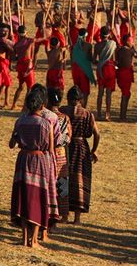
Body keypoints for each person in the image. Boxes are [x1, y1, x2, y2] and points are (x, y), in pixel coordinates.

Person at [9, 87, 59, 248]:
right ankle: (35, 240)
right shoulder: (46, 123)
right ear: (42, 105)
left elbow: (12, 144)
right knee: (38, 198)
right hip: (40, 160)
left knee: (24, 197)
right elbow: (50, 149)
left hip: (23, 159)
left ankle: (24, 239)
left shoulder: (20, 121)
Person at [61, 86, 100, 224]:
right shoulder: (87, 114)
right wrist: (93, 150)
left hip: (65, 147)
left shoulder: (62, 111)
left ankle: (64, 215)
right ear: (81, 99)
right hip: (82, 148)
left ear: (68, 98)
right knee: (80, 180)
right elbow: (97, 134)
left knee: (63, 178)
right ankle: (77, 218)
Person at [46, 87, 72, 223]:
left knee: (48, 182)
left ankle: (49, 210)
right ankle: (64, 214)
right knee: (62, 183)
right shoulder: (65, 118)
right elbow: (69, 137)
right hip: (61, 153)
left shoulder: (45, 116)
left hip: (47, 153)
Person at [93, 26, 117, 121]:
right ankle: (107, 114)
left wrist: (100, 62)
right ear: (109, 34)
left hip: (101, 69)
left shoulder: (97, 46)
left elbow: (94, 60)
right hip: (110, 68)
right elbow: (114, 59)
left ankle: (99, 113)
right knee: (108, 93)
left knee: (100, 92)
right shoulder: (112, 44)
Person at [70, 28, 95, 107]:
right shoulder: (88, 45)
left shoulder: (74, 46)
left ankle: (76, 107)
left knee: (77, 90)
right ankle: (83, 108)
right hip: (83, 69)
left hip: (75, 69)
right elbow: (90, 59)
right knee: (85, 91)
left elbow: (72, 59)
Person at [115, 33, 136, 121]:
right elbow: (136, 54)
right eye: (131, 41)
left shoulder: (119, 50)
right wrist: (133, 48)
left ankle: (123, 115)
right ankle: (122, 116)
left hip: (122, 73)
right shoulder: (128, 50)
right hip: (124, 73)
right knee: (125, 94)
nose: (132, 42)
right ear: (127, 41)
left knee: (127, 94)